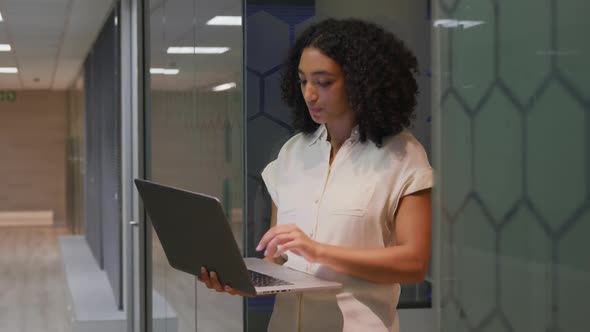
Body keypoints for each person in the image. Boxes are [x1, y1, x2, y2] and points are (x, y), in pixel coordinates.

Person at [198, 18, 432, 332]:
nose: (309, 94)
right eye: (303, 80)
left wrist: (319, 251)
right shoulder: (292, 153)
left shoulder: (402, 155)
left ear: (361, 81)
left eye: (323, 82)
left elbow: (414, 263)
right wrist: (242, 282)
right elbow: (278, 258)